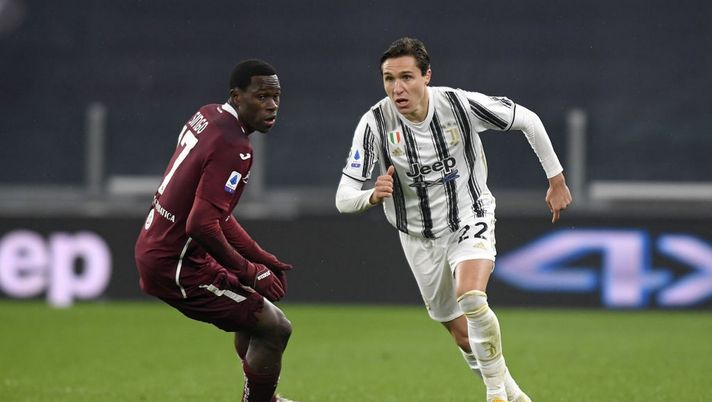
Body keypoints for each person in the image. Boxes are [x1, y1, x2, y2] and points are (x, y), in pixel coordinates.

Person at [335, 38, 572, 402]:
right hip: (417, 238)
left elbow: (528, 120)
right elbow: (343, 198)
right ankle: (515, 396)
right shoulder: (374, 123)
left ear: (426, 76)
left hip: (468, 215)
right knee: (463, 336)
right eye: (389, 79)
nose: (397, 88)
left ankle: (495, 394)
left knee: (472, 296)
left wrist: (556, 179)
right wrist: (371, 195)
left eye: (406, 77)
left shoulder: (458, 104)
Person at [135, 59, 298, 402]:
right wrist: (250, 271)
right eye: (262, 96)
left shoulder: (208, 115)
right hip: (177, 265)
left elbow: (214, 215)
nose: (272, 105)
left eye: (276, 97)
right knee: (276, 328)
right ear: (237, 96)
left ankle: (259, 396)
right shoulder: (235, 147)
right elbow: (201, 225)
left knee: (257, 317)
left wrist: (260, 257)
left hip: (160, 246)